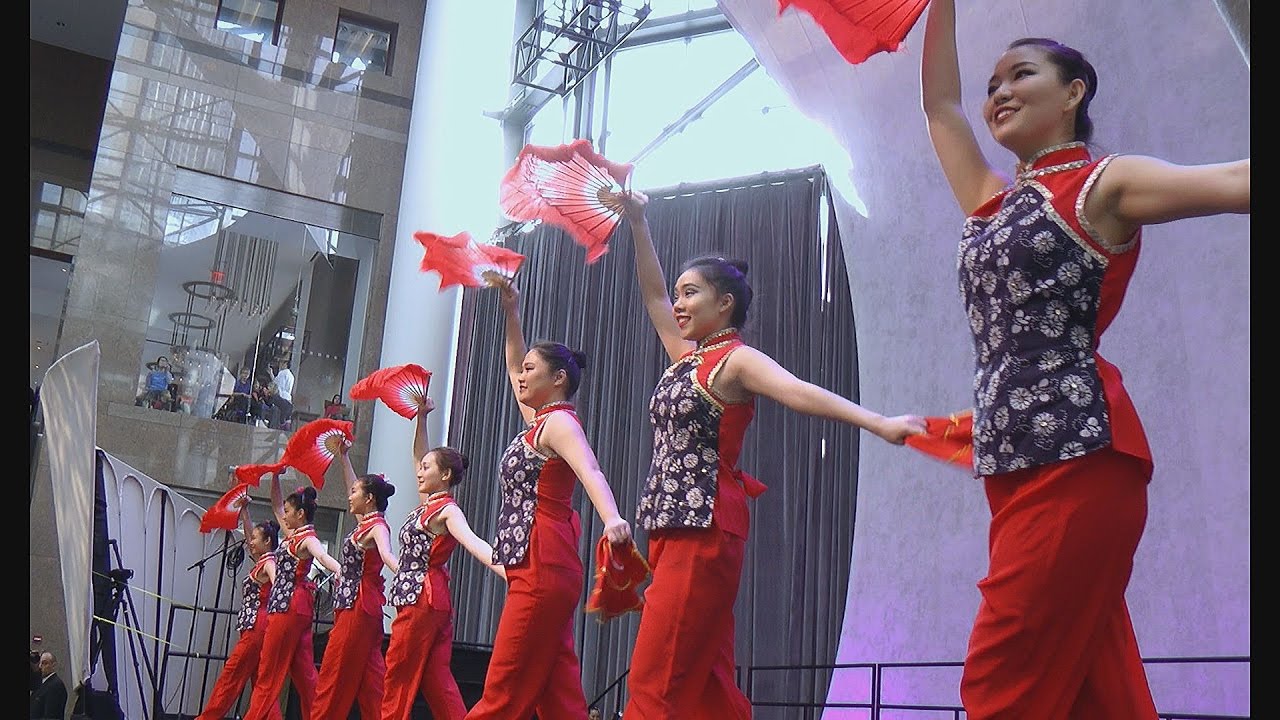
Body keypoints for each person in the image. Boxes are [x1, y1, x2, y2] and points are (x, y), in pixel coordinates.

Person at [916, 3, 1250, 718]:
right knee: (1096, 697)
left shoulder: (1105, 185)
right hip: (1013, 468)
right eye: (993, 81)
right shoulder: (992, 203)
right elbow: (941, 108)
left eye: (1021, 74)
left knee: (997, 685)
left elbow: (1237, 181)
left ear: (1075, 93)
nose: (998, 91)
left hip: (1079, 460)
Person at [613, 191, 926, 718]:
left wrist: (877, 422)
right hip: (671, 526)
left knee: (657, 676)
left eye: (691, 294)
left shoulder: (736, 361)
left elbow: (800, 391)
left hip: (705, 528)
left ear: (724, 304)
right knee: (707, 677)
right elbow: (652, 297)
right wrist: (638, 221)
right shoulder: (688, 358)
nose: (679, 304)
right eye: (680, 294)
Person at [464, 282, 633, 720]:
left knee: (503, 690)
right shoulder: (539, 423)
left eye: (531, 369)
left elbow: (590, 469)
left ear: (558, 379)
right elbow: (510, 361)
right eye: (522, 369)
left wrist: (612, 517)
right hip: (541, 564)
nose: (521, 375)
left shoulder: (559, 425)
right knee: (560, 698)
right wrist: (512, 310)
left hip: (543, 562)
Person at [381, 396, 506, 720]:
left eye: (427, 468)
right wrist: (421, 419)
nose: (420, 471)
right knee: (437, 680)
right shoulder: (430, 504)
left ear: (446, 475)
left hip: (423, 599)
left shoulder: (446, 510)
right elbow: (418, 455)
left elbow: (474, 542)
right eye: (421, 468)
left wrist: (509, 572)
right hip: (430, 598)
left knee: (398, 675)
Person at [242, 475, 344, 720]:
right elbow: (276, 503)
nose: (283, 515)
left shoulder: (306, 538)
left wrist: (339, 569)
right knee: (305, 673)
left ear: (300, 514)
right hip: (297, 605)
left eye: (288, 512)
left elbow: (321, 556)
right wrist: (275, 475)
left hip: (289, 604)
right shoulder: (294, 535)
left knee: (269, 671)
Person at [310, 451, 398, 720]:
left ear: (369, 499)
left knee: (334, 676)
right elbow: (354, 482)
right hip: (360, 607)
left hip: (357, 608)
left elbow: (386, 554)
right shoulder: (367, 523)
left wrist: (408, 575)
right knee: (371, 683)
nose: (350, 496)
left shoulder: (377, 528)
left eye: (355, 492)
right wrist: (343, 456)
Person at [195, 511, 281, 720]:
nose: (250, 542)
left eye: (255, 539)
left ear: (267, 541)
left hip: (256, 626)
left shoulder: (269, 562)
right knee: (261, 682)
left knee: (231, 676)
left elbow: (278, 581)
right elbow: (251, 534)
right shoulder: (262, 560)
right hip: (256, 626)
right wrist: (245, 512)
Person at [30, 651, 68, 720]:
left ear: (53, 665)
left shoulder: (56, 686)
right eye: (40, 663)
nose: (40, 666)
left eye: (45, 663)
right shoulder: (40, 683)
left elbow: (51, 716)